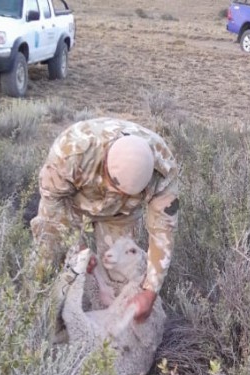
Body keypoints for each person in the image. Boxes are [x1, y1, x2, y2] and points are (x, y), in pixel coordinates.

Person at [31, 117, 179, 323]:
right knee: (48, 256)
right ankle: (37, 319)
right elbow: (53, 205)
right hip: (70, 203)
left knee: (119, 272)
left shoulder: (163, 167)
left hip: (120, 214)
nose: (119, 193)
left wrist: (150, 291)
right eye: (116, 188)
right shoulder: (71, 153)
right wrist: (78, 246)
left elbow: (164, 231)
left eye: (129, 192)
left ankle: (107, 337)